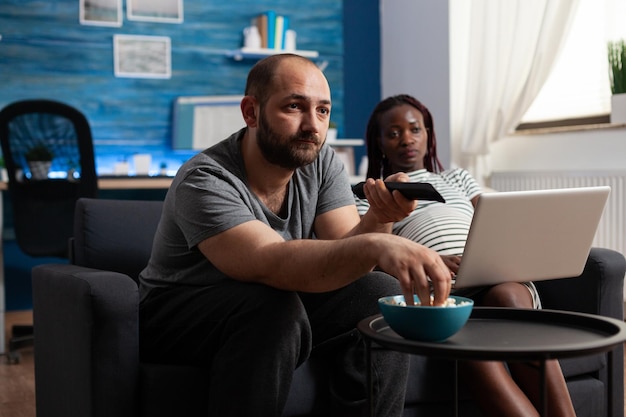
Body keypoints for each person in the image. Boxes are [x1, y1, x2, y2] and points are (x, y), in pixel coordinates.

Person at [138, 55, 453, 417]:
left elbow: (347, 258)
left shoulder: (319, 161)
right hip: (177, 315)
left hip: (272, 304)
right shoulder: (205, 179)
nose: (313, 126)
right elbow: (268, 261)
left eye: (322, 111)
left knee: (379, 292)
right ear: (251, 112)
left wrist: (380, 218)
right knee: (272, 307)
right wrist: (379, 243)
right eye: (294, 107)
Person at [355, 94, 577, 417]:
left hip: (487, 270)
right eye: (393, 133)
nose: (406, 139)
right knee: (469, 345)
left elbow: (495, 219)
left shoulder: (456, 178)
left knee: (510, 298)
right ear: (379, 143)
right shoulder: (368, 195)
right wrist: (423, 258)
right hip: (435, 286)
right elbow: (372, 253)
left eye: (415, 129)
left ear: (428, 134)